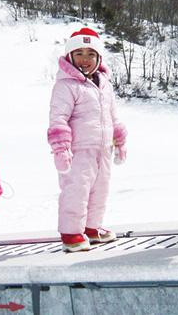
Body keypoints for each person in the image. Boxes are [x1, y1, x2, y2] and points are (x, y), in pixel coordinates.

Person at [47, 28, 127, 252]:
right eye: (79, 53)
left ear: (99, 58)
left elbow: (113, 116)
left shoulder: (104, 84)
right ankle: (71, 232)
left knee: (100, 190)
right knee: (77, 190)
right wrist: (61, 150)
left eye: (90, 54)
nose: (84, 59)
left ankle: (91, 227)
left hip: (103, 149)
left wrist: (119, 140)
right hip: (78, 151)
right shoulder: (66, 86)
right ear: (70, 56)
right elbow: (58, 119)